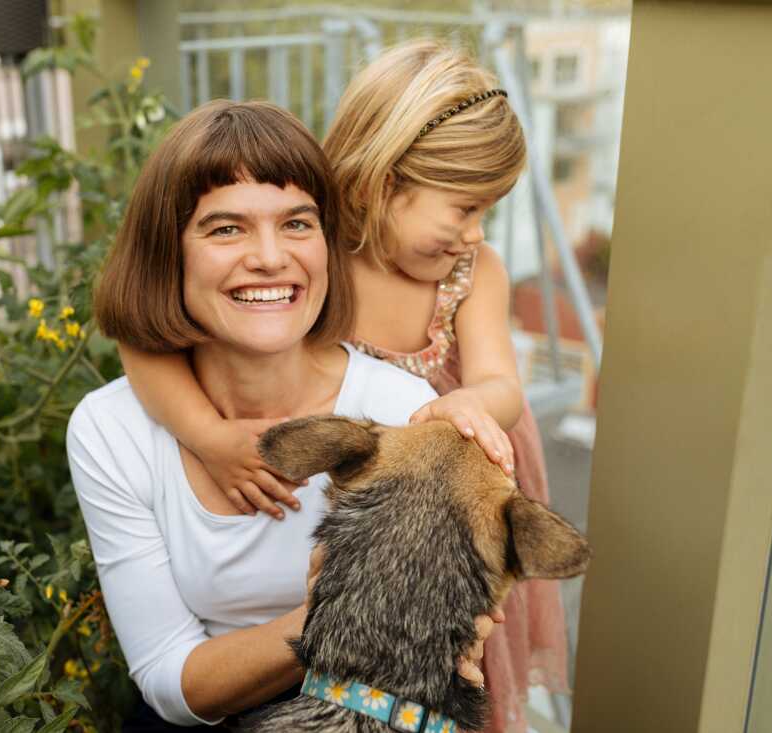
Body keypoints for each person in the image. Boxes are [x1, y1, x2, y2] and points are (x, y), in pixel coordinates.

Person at [117, 41, 570, 733]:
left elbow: (500, 382)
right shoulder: (308, 258)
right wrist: (208, 438)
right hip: (363, 507)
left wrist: (468, 406)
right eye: (465, 207)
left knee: (457, 665)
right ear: (386, 179)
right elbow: (140, 340)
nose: (476, 232)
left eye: (490, 210)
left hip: (457, 493)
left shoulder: (472, 272)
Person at [68, 100, 493, 732]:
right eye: (225, 229)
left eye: (297, 223)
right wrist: (331, 616)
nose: (270, 257)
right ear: (167, 255)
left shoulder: (402, 418)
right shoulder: (112, 430)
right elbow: (166, 676)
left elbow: (430, 657)